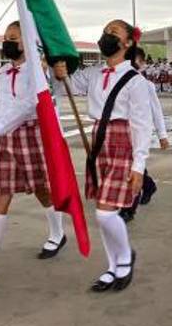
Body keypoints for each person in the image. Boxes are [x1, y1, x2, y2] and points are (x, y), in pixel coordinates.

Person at [0, 20, 70, 283]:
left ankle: (57, 233)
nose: (7, 42)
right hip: (7, 137)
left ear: (28, 42)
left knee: (43, 190)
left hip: (33, 134)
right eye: (6, 37)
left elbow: (26, 106)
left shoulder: (37, 74)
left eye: (13, 37)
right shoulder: (1, 73)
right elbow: (5, 107)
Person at [54, 18, 154, 294]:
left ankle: (126, 257)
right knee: (103, 211)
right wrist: (59, 72)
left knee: (104, 213)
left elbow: (142, 125)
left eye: (114, 32)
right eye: (105, 31)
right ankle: (113, 266)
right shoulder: (94, 73)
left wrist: (139, 165)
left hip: (122, 142)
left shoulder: (136, 81)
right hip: (98, 142)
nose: (107, 36)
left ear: (128, 42)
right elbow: (65, 88)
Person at [118, 29, 169, 222]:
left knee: (134, 167)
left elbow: (156, 110)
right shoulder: (118, 80)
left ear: (141, 63)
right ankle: (148, 186)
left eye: (136, 61)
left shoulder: (144, 84)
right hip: (121, 133)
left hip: (138, 133)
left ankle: (129, 208)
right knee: (131, 167)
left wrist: (162, 134)